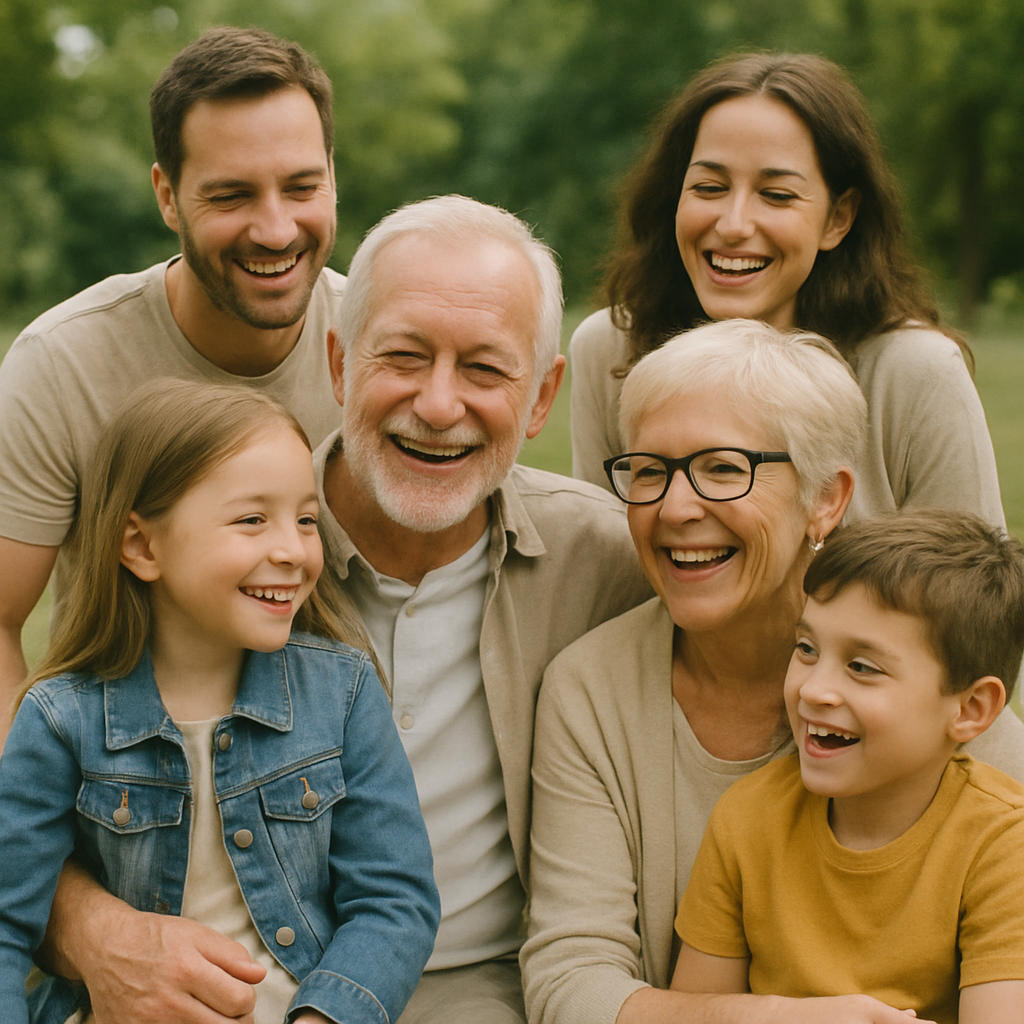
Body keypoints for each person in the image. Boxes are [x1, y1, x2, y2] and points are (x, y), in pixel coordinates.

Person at [38, 196, 654, 1024]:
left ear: (542, 397)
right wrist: (92, 930)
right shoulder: (213, 561)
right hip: (229, 990)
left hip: (483, 990)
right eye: (402, 356)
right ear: (339, 362)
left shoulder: (611, 560)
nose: (439, 405)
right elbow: (46, 794)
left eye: (484, 369)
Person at [520, 320, 1024, 1024]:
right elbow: (571, 983)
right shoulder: (593, 690)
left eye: (725, 469)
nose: (675, 508)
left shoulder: (927, 682)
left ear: (825, 498)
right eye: (649, 471)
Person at [0, 379, 440, 1024]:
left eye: (306, 519)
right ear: (142, 546)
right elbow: (7, 921)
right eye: (251, 520)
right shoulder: (60, 719)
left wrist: (325, 1017)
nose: (292, 550)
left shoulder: (342, 693)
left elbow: (396, 902)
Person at [0, 26, 344, 739]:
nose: (276, 229)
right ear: (167, 195)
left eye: (302, 187)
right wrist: (36, 802)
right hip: (118, 771)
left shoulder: (383, 350)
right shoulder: (63, 362)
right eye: (232, 195)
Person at [568, 52, 1005, 532]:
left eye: (776, 195)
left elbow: (972, 578)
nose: (733, 225)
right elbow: (603, 559)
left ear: (838, 218)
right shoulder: (610, 350)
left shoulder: (914, 373)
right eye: (709, 187)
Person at [672, 510, 1024, 1024]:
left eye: (862, 667)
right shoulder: (747, 818)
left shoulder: (1003, 845)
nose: (814, 689)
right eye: (806, 648)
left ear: (970, 709)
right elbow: (696, 1010)